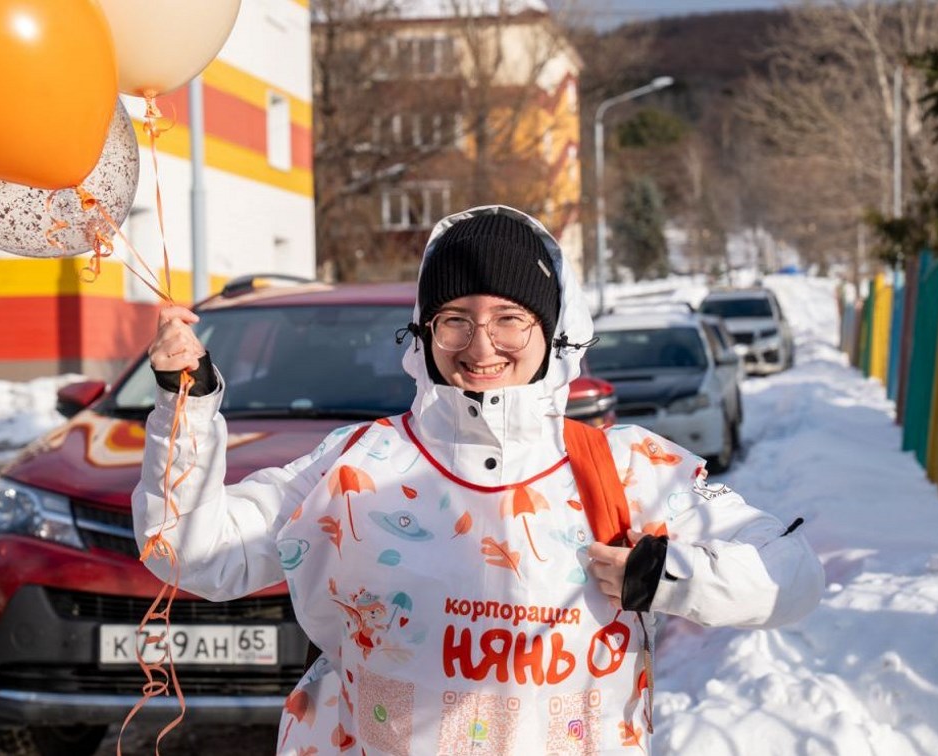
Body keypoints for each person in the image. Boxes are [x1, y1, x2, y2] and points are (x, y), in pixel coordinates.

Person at [134, 205, 825, 755]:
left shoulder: (625, 466)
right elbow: (193, 552)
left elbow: (791, 575)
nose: (481, 344)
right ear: (425, 331)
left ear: (552, 331)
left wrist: (666, 576)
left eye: (508, 318)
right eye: (455, 319)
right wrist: (183, 404)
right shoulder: (353, 465)